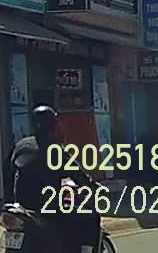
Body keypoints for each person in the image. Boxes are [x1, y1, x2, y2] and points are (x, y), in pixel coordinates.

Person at [9, 106, 99, 253]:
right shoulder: (55, 149)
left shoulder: (22, 145)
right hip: (46, 208)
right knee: (90, 217)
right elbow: (78, 174)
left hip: (21, 206)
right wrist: (93, 186)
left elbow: (10, 170)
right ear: (52, 125)